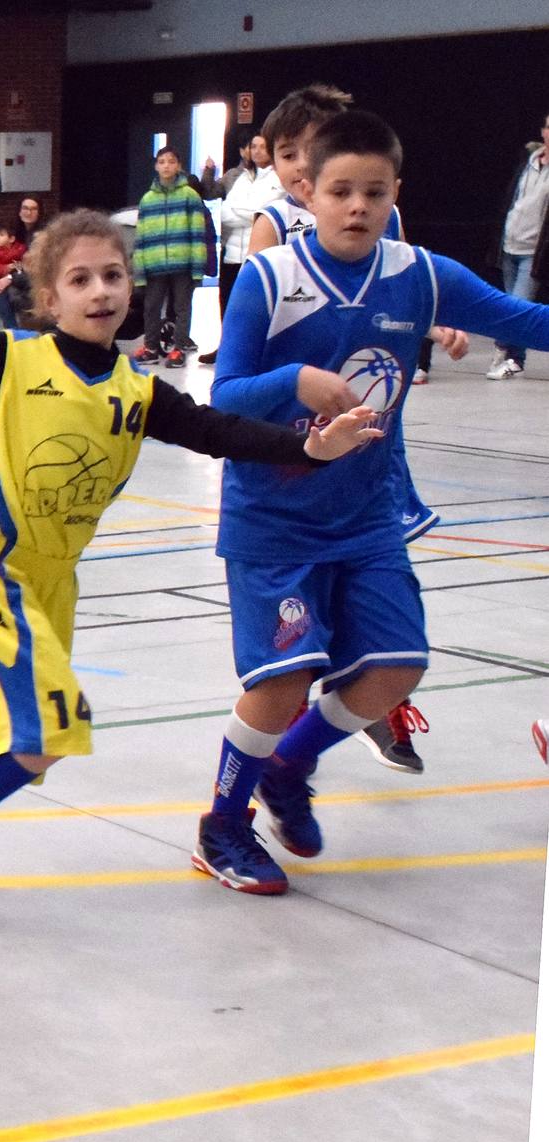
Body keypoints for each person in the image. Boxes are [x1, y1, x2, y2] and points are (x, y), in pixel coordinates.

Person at [0, 189, 380, 917]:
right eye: (79, 279)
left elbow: (219, 432)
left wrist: (309, 447)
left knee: (21, 737)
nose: (100, 290)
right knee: (45, 728)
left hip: (54, 580)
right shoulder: (12, 360)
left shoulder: (138, 391)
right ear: (47, 297)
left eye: (112, 274)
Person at [186, 111, 549, 896]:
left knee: (395, 668)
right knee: (281, 684)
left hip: (366, 518)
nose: (357, 206)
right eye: (341, 191)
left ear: (394, 195)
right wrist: (295, 383)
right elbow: (224, 398)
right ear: (305, 191)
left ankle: (290, 767)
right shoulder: (270, 278)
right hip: (276, 518)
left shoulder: (421, 275)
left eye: (374, 192)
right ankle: (222, 827)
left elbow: (524, 320)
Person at [247, 84, 464, 770]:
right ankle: (246, 793)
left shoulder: (390, 236)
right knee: (285, 673)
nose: (295, 167)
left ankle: (366, 697)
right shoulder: (274, 242)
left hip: (370, 468)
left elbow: (396, 295)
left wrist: (437, 317)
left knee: (392, 636)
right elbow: (235, 377)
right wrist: (294, 382)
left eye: (303, 151)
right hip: (286, 479)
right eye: (285, 155)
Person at [197, 133, 279, 364]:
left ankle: (254, 353)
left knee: (253, 307)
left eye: (263, 146)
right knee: (228, 303)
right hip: (231, 252)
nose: (257, 151)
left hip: (259, 253)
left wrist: (242, 212)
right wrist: (246, 212)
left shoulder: (278, 178)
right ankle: (226, 348)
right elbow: (224, 210)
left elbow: (263, 212)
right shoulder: (240, 177)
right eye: (254, 146)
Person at [132, 146, 211, 367]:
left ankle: (179, 347)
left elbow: (198, 234)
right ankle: (151, 348)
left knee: (182, 307)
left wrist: (198, 268)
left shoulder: (190, 196)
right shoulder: (147, 200)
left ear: (179, 166)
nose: (166, 165)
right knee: (151, 307)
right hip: (155, 265)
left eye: (171, 161)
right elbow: (141, 238)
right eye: (162, 161)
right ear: (156, 166)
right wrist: (139, 271)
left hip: (183, 265)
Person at [487, 113, 548, 381]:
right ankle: (514, 356)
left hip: (534, 251)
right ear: (543, 131)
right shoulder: (529, 160)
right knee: (510, 306)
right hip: (510, 242)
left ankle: (508, 354)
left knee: (518, 308)